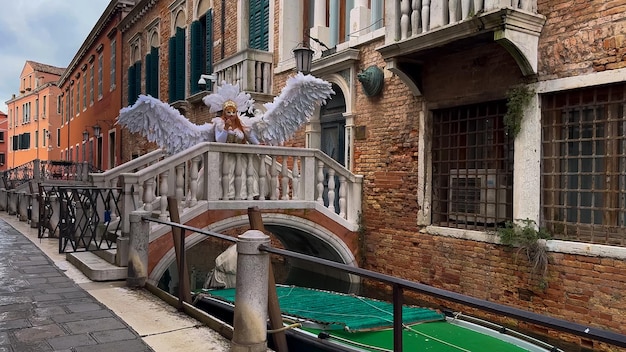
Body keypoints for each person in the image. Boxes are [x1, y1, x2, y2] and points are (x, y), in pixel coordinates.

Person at [213, 100, 262, 199]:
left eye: (233, 112)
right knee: (227, 175)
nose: (231, 114)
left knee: (247, 175)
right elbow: (220, 141)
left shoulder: (242, 124)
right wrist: (226, 128)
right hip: (225, 157)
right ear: (224, 113)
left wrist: (259, 144)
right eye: (228, 112)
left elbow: (250, 136)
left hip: (240, 156)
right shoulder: (219, 124)